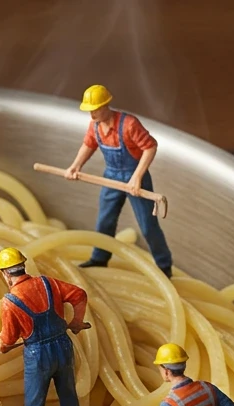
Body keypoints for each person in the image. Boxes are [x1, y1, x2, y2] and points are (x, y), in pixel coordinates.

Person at [64, 85, 174, 278]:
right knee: (105, 220)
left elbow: (150, 147)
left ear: (105, 105)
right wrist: (75, 166)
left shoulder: (129, 125)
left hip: (135, 177)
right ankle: (99, 258)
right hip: (111, 176)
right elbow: (88, 144)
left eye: (95, 109)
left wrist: (137, 177)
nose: (92, 114)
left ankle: (164, 266)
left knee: (148, 225)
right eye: (90, 110)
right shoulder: (95, 126)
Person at [0, 247, 90, 406]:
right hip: (63, 345)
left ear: (6, 273)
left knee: (35, 401)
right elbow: (80, 295)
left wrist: (0, 346)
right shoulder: (48, 283)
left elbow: (8, 339)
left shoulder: (10, 302)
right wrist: (77, 321)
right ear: (23, 266)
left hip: (38, 355)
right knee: (68, 392)